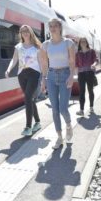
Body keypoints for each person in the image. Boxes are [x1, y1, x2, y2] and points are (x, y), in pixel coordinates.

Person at [40, 18, 76, 149]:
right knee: (54, 110)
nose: (53, 28)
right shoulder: (45, 45)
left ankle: (68, 125)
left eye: (55, 25)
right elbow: (44, 63)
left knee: (63, 108)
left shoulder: (68, 43)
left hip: (65, 74)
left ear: (60, 27)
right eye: (50, 26)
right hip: (51, 76)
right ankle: (59, 137)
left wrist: (72, 76)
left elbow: (72, 61)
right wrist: (43, 80)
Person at [5, 25, 42, 137]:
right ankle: (38, 122)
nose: (25, 33)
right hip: (22, 74)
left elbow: (41, 62)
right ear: (20, 34)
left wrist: (44, 77)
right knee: (30, 99)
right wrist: (8, 69)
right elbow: (14, 59)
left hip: (34, 73)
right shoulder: (18, 47)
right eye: (23, 31)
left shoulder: (37, 47)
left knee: (27, 97)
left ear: (30, 32)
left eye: (27, 31)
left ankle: (28, 127)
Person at [75, 37, 98, 116]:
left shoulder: (91, 51)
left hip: (89, 73)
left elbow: (96, 60)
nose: (83, 43)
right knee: (82, 92)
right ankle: (81, 110)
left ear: (87, 43)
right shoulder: (78, 53)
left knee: (90, 90)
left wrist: (94, 64)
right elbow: (76, 64)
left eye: (84, 42)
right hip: (81, 74)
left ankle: (91, 107)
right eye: (81, 42)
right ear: (79, 44)